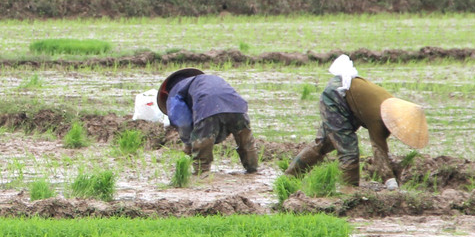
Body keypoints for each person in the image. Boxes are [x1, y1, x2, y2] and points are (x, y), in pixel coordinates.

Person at [285, 54, 429, 187]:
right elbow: (379, 150)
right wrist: (389, 180)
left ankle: (289, 178)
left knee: (324, 143)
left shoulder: (391, 105)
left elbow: (382, 150)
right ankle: (349, 190)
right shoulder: (380, 117)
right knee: (348, 148)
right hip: (337, 95)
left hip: (349, 100)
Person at [157, 68, 259, 174]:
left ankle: (202, 173)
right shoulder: (208, 80)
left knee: (203, 143)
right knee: (245, 140)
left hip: (207, 106)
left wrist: (189, 142)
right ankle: (252, 169)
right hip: (237, 107)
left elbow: (183, 121)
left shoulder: (175, 91)